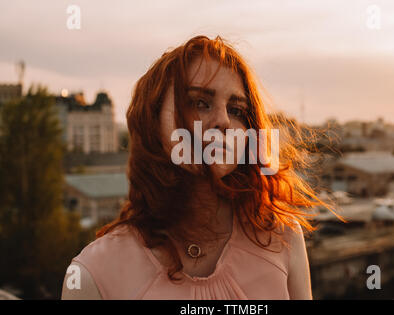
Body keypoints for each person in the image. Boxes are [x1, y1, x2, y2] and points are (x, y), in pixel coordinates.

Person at [61, 35, 330, 300]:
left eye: (236, 110)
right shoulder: (93, 276)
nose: (223, 121)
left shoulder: (282, 238)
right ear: (152, 120)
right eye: (200, 103)